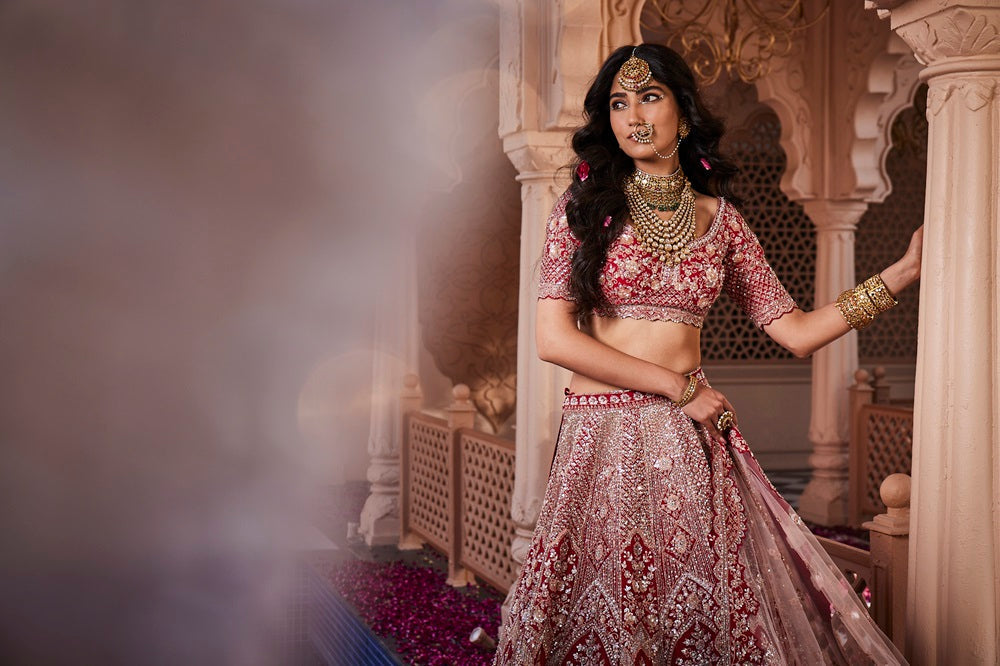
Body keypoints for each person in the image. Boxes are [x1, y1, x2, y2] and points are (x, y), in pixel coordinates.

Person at [492, 44, 922, 665]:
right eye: (618, 103)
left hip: (687, 445)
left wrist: (901, 275)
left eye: (650, 97)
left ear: (683, 114)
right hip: (602, 441)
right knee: (605, 611)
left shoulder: (723, 222)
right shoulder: (581, 213)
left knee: (691, 614)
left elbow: (796, 330)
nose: (634, 115)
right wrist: (679, 388)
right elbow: (553, 340)